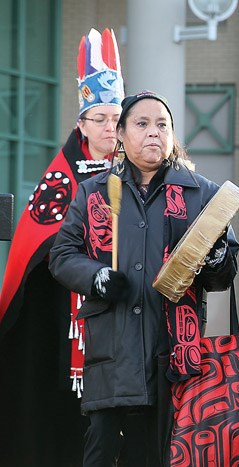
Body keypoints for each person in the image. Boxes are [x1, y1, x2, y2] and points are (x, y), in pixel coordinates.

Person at [49, 90, 239, 467]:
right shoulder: (93, 192)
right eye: (142, 124)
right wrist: (97, 276)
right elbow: (62, 256)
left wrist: (216, 254)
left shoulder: (202, 193)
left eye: (162, 125)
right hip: (112, 352)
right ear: (120, 133)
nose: (154, 132)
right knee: (103, 452)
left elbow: (224, 274)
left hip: (176, 353)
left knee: (169, 453)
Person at [0, 28, 124, 466]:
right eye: (100, 119)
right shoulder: (60, 178)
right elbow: (36, 243)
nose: (110, 128)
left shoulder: (140, 170)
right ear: (82, 124)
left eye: (116, 118)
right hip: (65, 319)